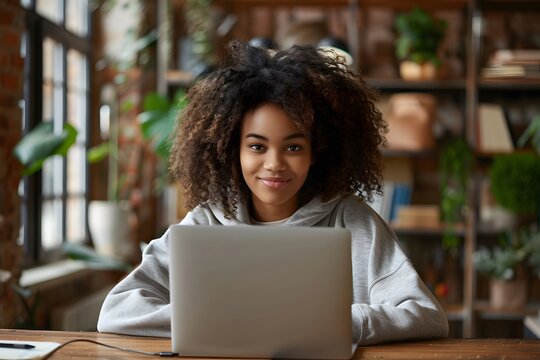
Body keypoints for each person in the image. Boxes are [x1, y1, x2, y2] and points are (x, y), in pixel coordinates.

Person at [97, 40, 449, 345]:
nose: (275, 164)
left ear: (317, 152)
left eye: (293, 148)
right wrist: (242, 322)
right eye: (257, 147)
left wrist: (330, 323)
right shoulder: (203, 224)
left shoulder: (353, 222)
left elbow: (426, 315)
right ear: (231, 150)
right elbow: (117, 312)